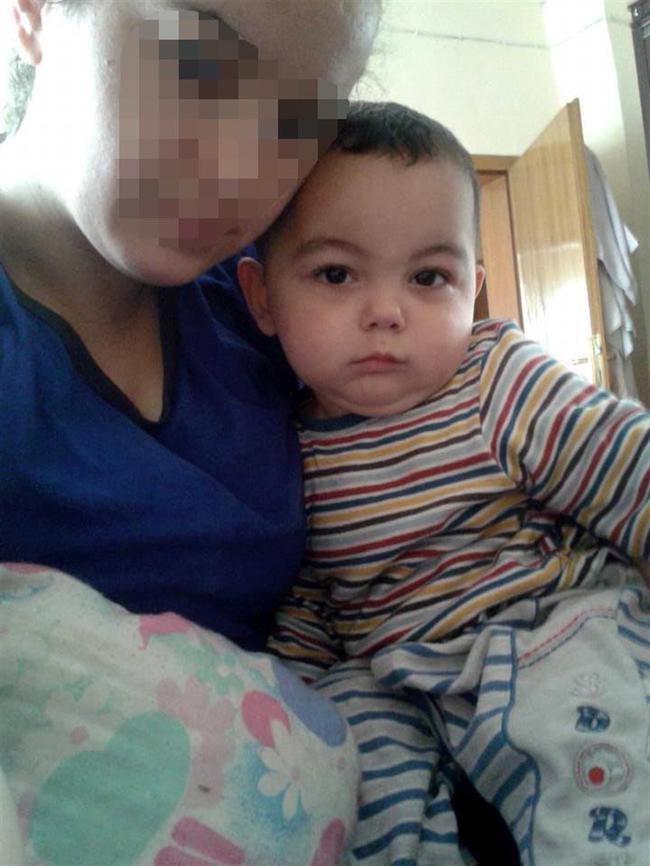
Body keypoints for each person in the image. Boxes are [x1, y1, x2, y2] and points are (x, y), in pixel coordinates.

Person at [0, 1, 381, 863]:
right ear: (32, 12)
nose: (245, 169)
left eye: (301, 118)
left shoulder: (268, 311)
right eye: (198, 64)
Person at [238, 102, 650, 866]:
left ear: (473, 288)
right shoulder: (283, 444)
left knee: (602, 776)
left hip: (547, 632)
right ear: (262, 297)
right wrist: (283, 696)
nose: (385, 312)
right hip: (394, 676)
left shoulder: (495, 378)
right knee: (335, 766)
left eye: (429, 277)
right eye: (336, 274)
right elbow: (310, 599)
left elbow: (628, 466)